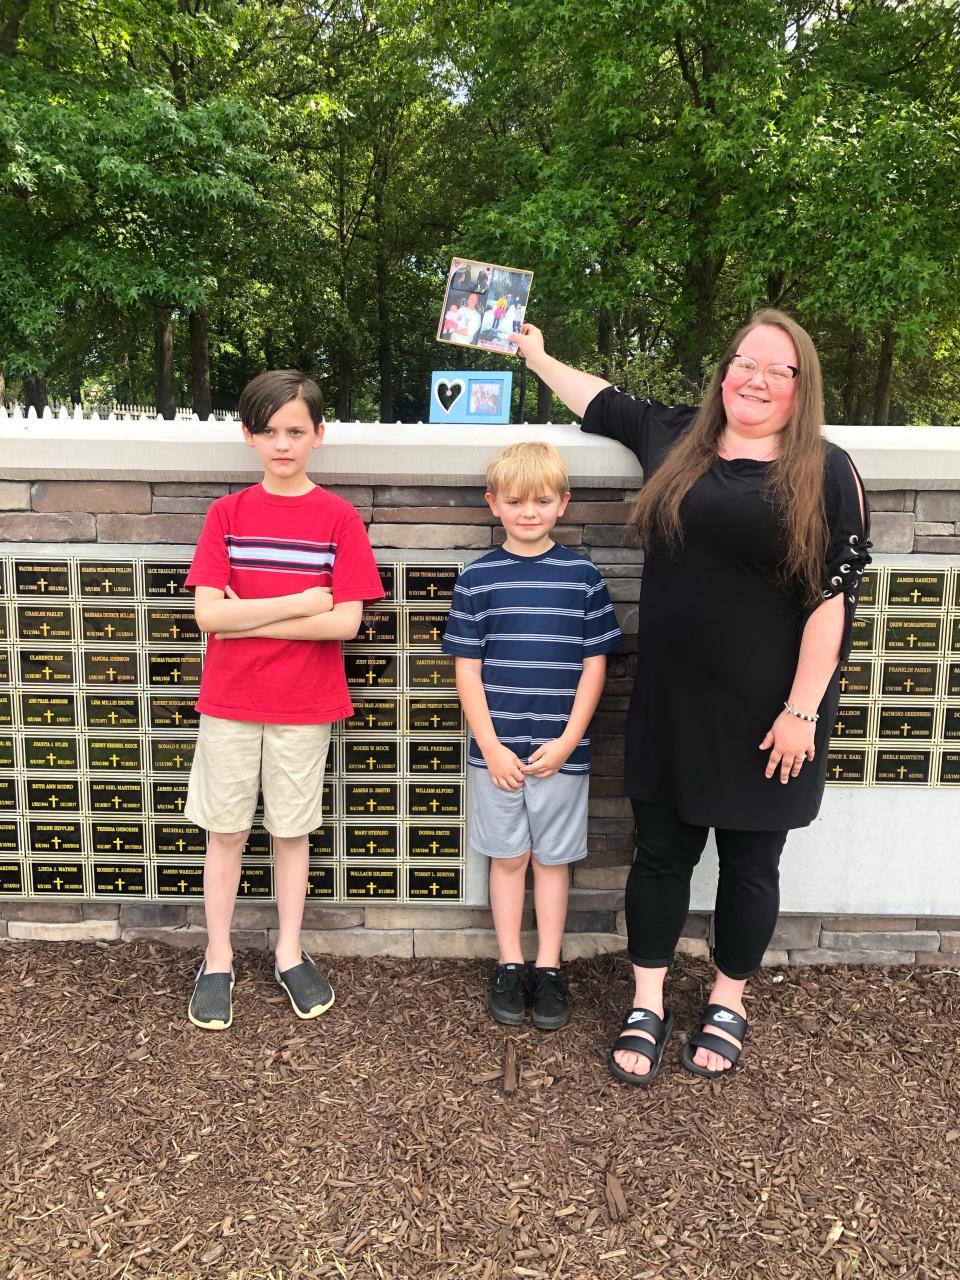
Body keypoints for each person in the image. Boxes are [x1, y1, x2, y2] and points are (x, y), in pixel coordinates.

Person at [509, 312, 870, 1084]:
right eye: (745, 362)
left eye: (778, 370)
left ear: (801, 385)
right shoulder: (676, 440)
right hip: (672, 703)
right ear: (724, 371)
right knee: (662, 857)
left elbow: (833, 601)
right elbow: (599, 399)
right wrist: (537, 356)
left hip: (773, 713)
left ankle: (728, 1001)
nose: (757, 379)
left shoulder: (827, 470)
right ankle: (647, 1001)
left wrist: (803, 708)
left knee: (749, 864)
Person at [183, 370, 384, 1031]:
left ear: (318, 436)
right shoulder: (227, 515)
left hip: (306, 703)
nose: (282, 443)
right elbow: (208, 615)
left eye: (296, 430)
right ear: (247, 436)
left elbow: (345, 623)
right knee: (228, 832)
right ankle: (217, 959)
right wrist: (299, 602)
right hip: (231, 701)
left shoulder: (338, 518)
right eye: (268, 431)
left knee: (292, 832)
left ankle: (288, 951)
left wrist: (253, 616)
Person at [443, 443, 623, 1031]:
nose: (529, 511)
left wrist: (571, 739)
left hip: (560, 753)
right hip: (495, 752)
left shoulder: (582, 577)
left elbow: (596, 665)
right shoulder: (478, 579)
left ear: (563, 503)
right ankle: (510, 962)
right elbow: (466, 668)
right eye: (515, 500)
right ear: (493, 504)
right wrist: (491, 746)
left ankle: (548, 967)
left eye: (542, 500)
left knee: (552, 861)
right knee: (508, 856)